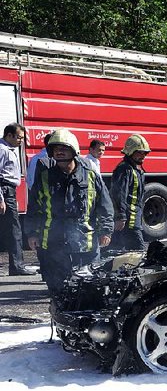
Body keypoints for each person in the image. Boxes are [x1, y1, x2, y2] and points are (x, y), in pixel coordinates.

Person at [26, 128, 113, 294]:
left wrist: (106, 231)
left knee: (89, 292)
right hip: (53, 244)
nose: (59, 152)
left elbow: (104, 206)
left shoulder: (90, 176)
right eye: (55, 149)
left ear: (74, 150)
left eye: (63, 148)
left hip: (85, 246)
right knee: (58, 293)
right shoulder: (44, 177)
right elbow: (34, 208)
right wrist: (32, 233)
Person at [0, 124, 36, 276]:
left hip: (9, 191)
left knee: (10, 228)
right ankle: (17, 266)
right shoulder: (2, 150)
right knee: (14, 229)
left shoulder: (9, 149)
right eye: (19, 137)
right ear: (9, 135)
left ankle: (16, 264)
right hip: (4, 190)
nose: (21, 141)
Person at [110, 134, 149, 251]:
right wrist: (120, 216)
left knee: (123, 250)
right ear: (130, 152)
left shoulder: (135, 170)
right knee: (138, 250)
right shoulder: (124, 169)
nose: (143, 156)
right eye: (139, 152)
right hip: (128, 220)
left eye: (145, 153)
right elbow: (119, 194)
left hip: (133, 218)